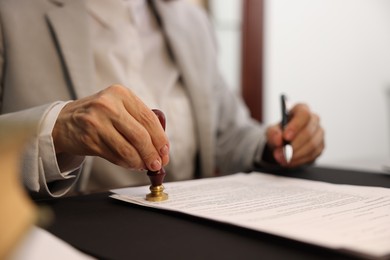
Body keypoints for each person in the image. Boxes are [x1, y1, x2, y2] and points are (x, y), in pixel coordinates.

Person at [0, 0, 324, 197]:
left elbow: (227, 133)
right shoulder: (11, 13)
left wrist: (274, 145)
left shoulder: (192, 22)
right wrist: (57, 130)